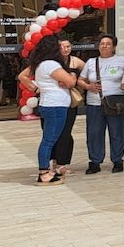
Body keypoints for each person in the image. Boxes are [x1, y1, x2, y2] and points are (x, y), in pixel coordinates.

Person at [27, 36, 76, 186]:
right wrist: (72, 75)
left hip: (50, 105)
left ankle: (45, 172)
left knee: (48, 139)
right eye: (59, 46)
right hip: (55, 106)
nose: (62, 49)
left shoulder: (42, 64)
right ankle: (43, 174)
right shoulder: (50, 64)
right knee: (48, 141)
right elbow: (71, 81)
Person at [80, 33, 124, 174]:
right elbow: (80, 80)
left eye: (108, 44)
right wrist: (88, 86)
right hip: (94, 103)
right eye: (102, 44)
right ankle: (95, 161)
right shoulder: (91, 62)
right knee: (94, 133)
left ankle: (117, 160)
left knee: (117, 132)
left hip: (115, 103)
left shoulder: (121, 60)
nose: (104, 46)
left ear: (114, 47)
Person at [50, 38, 86, 175]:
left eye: (68, 46)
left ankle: (62, 163)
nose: (65, 49)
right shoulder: (51, 62)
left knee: (66, 132)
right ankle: (54, 161)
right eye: (62, 47)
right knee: (53, 132)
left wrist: (80, 82)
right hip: (54, 101)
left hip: (70, 101)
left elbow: (88, 72)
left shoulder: (75, 61)